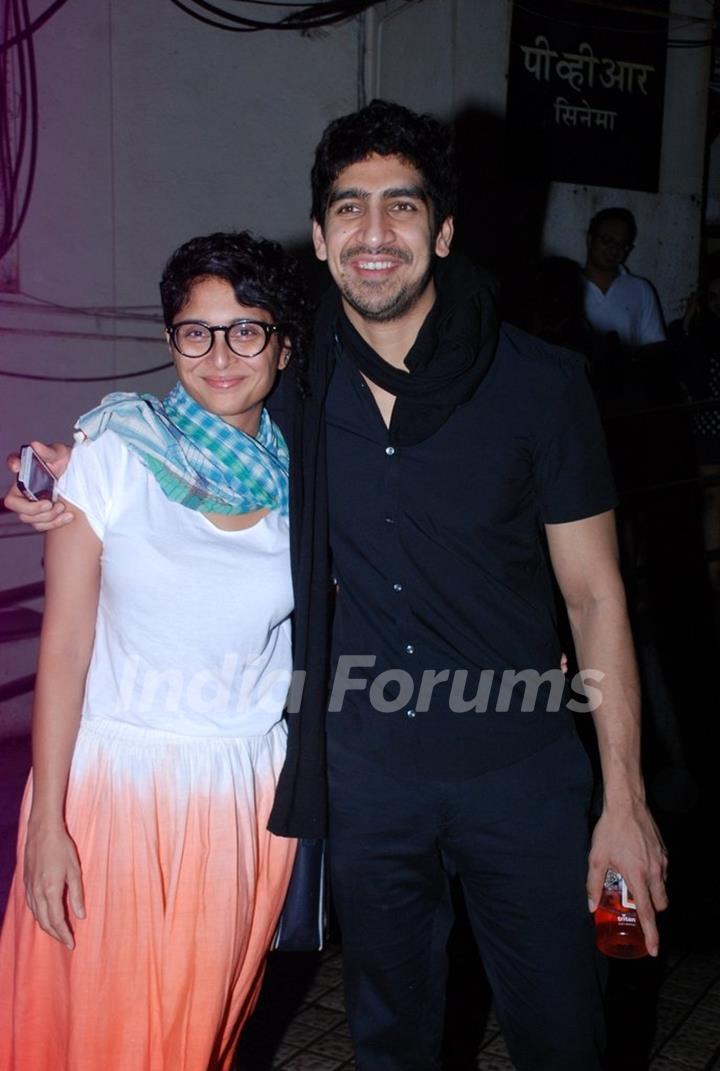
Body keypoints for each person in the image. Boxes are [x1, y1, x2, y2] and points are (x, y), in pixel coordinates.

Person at [5, 101, 668, 1071]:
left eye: (401, 207)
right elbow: (185, 417)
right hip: (364, 777)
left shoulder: (542, 386)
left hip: (519, 763)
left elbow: (599, 598)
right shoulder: (302, 391)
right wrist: (77, 464)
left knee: (564, 1028)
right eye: (349, 209)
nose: (374, 232)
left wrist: (626, 798)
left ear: (443, 230)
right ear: (319, 238)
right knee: (389, 1037)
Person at [0, 230, 309, 1071]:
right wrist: (48, 823)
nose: (220, 354)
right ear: (170, 338)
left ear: (284, 344)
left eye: (247, 328)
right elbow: (63, 648)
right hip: (115, 788)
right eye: (195, 329)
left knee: (196, 1038)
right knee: (104, 1035)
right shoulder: (112, 450)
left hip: (243, 795)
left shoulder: (307, 486)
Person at [669, 253, 720, 593]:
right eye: (715, 297)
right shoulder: (696, 332)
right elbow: (688, 376)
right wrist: (687, 326)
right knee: (714, 498)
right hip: (707, 430)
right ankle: (712, 580)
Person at [582, 206, 666, 355]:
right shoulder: (567, 285)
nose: (614, 249)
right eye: (607, 240)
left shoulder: (641, 289)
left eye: (622, 244)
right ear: (590, 239)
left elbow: (655, 348)